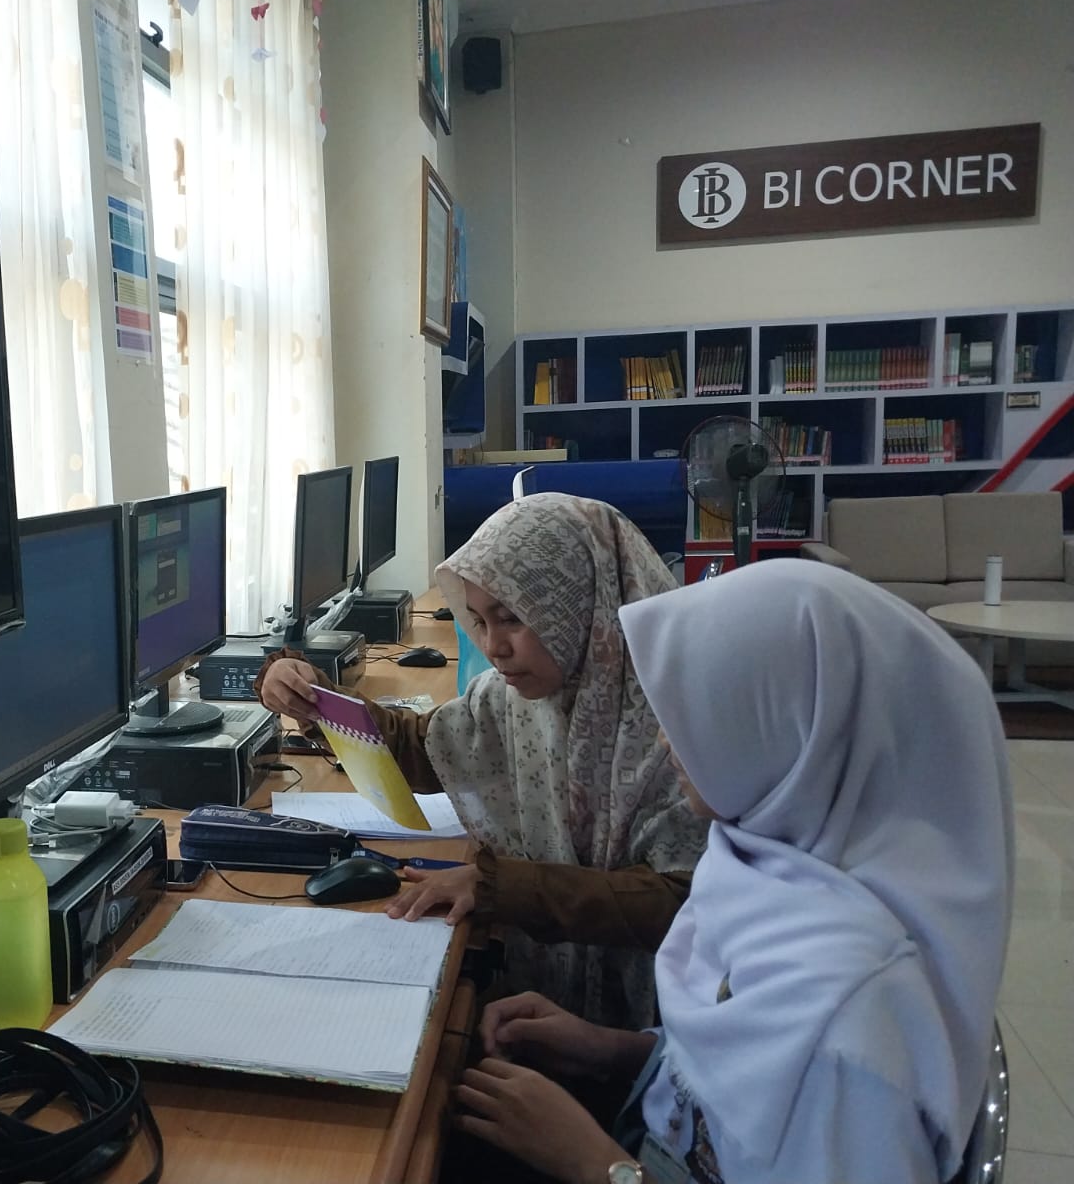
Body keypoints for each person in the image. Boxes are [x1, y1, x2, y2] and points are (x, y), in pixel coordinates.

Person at [454, 559, 1013, 1184]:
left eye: (702, 711)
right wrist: (611, 1049)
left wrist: (596, 1163)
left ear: (796, 728)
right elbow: (745, 1075)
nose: (666, 742)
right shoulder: (765, 863)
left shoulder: (849, 1025)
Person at [257, 493, 709, 1028]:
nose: (493, 646)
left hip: (651, 1029)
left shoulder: (678, 724)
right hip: (544, 999)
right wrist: (315, 698)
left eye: (512, 618)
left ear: (580, 605)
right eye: (478, 620)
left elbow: (681, 901)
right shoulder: (512, 696)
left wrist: (500, 886)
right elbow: (424, 748)